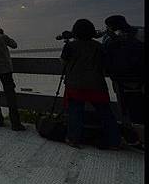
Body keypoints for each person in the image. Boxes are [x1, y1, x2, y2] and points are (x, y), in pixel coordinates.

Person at [61, 19, 120, 149]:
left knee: (75, 112)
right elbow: (105, 64)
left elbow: (63, 62)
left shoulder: (70, 46)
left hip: (76, 85)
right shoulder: (99, 46)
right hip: (97, 84)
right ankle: (114, 140)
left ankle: (73, 139)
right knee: (105, 113)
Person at [102, 15, 144, 148]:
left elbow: (104, 58)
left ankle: (133, 139)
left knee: (125, 110)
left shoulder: (108, 38)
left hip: (120, 80)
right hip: (141, 78)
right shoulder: (139, 33)